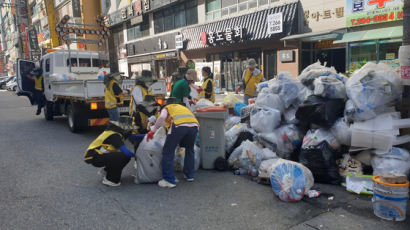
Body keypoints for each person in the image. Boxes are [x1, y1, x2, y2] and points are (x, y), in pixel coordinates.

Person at [146, 99, 199, 188]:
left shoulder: (166, 108)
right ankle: (189, 175)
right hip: (194, 126)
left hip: (179, 126)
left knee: (167, 151)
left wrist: (153, 131)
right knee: (189, 150)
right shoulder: (181, 107)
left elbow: (162, 118)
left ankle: (168, 180)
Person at [84, 116, 144, 186]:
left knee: (125, 157)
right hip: (95, 157)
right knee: (122, 156)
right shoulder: (114, 135)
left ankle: (106, 171)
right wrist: (137, 155)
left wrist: (151, 134)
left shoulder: (118, 132)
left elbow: (134, 137)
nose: (129, 130)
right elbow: (126, 152)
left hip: (100, 156)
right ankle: (110, 180)